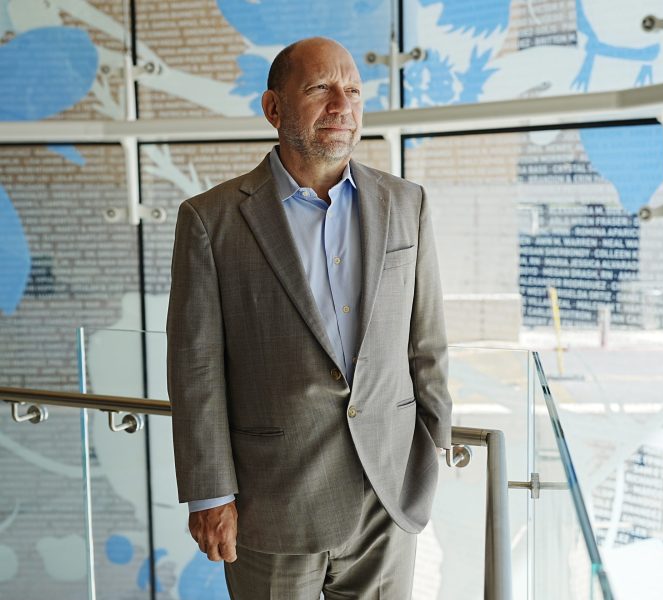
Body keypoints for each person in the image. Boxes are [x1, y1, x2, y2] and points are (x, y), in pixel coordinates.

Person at [166, 36, 452, 599]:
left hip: (386, 497)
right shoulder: (210, 219)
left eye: (352, 90)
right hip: (270, 506)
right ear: (273, 108)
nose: (341, 106)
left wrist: (433, 447)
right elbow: (195, 366)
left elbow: (427, 341)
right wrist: (210, 494)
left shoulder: (406, 203)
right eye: (320, 88)